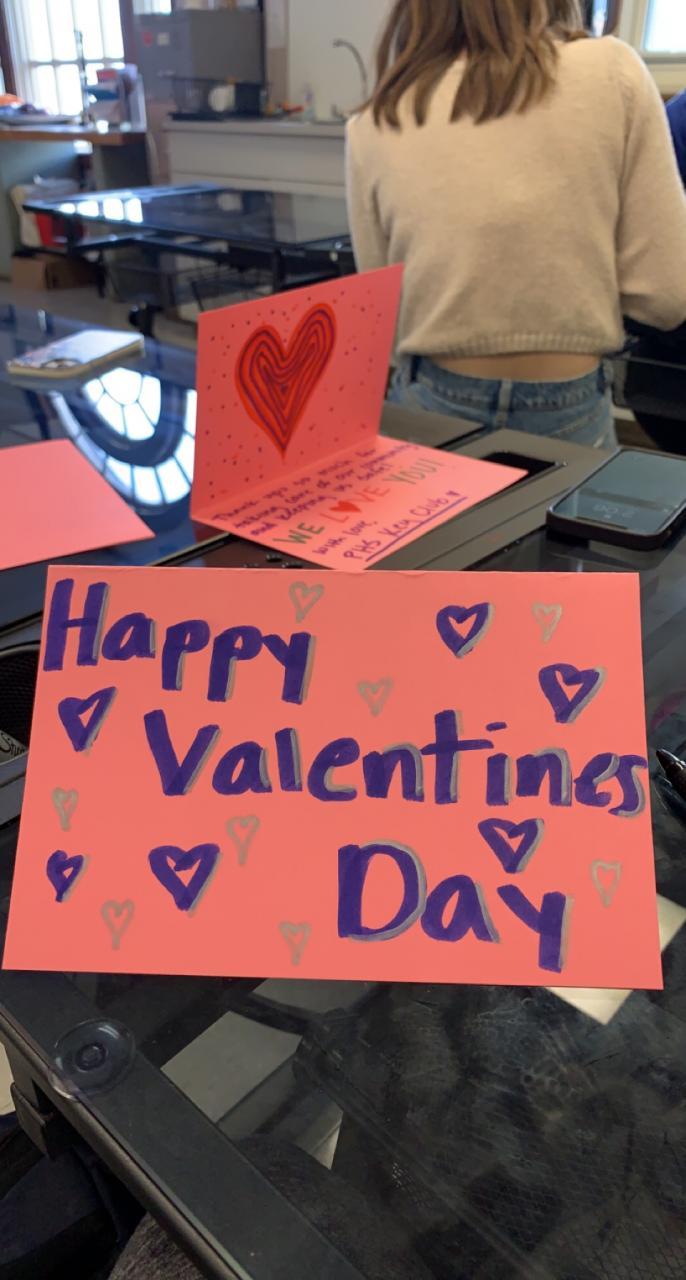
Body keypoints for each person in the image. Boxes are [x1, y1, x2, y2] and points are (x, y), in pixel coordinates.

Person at [346, 0, 686, 447]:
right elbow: (667, 296)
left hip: (428, 404)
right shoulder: (613, 71)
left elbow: (381, 322)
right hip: (569, 402)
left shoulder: (377, 117)